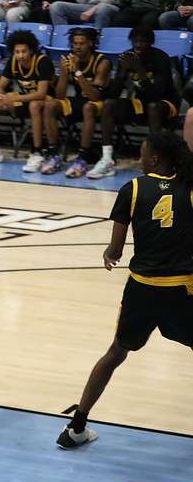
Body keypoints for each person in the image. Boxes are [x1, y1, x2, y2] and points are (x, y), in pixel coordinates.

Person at [57, 133, 193, 449]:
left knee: (116, 353)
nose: (139, 159)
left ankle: (76, 426)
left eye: (143, 154)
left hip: (141, 289)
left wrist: (109, 254)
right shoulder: (188, 189)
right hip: (180, 289)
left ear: (155, 159)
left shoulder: (131, 189)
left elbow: (116, 250)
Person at [87, 27, 181, 180]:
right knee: (109, 105)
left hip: (166, 103)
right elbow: (114, 93)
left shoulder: (160, 58)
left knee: (153, 107)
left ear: (150, 43)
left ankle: (155, 159)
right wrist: (123, 71)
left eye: (142, 42)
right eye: (135, 41)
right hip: (141, 102)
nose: (138, 45)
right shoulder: (127, 57)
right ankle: (107, 158)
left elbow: (156, 95)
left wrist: (139, 69)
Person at [0, 30, 54, 173]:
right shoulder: (13, 62)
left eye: (24, 51)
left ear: (31, 50)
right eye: (17, 52)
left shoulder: (43, 61)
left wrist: (14, 98)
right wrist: (1, 97)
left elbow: (42, 93)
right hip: (25, 99)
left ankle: (37, 153)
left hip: (48, 101)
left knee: (34, 105)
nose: (21, 55)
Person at [40, 28, 111, 177]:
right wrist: (64, 73)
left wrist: (78, 72)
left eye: (81, 43)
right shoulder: (70, 59)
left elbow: (94, 96)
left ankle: (83, 159)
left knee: (88, 107)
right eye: (75, 43)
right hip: (79, 101)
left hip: (100, 103)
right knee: (51, 105)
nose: (77, 47)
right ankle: (54, 156)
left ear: (90, 44)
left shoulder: (102, 62)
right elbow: (60, 95)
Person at [49, 0, 121, 29]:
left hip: (110, 6)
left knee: (102, 8)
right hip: (87, 6)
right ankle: (64, 41)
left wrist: (94, 9)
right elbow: (82, 1)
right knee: (56, 6)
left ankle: (96, 42)